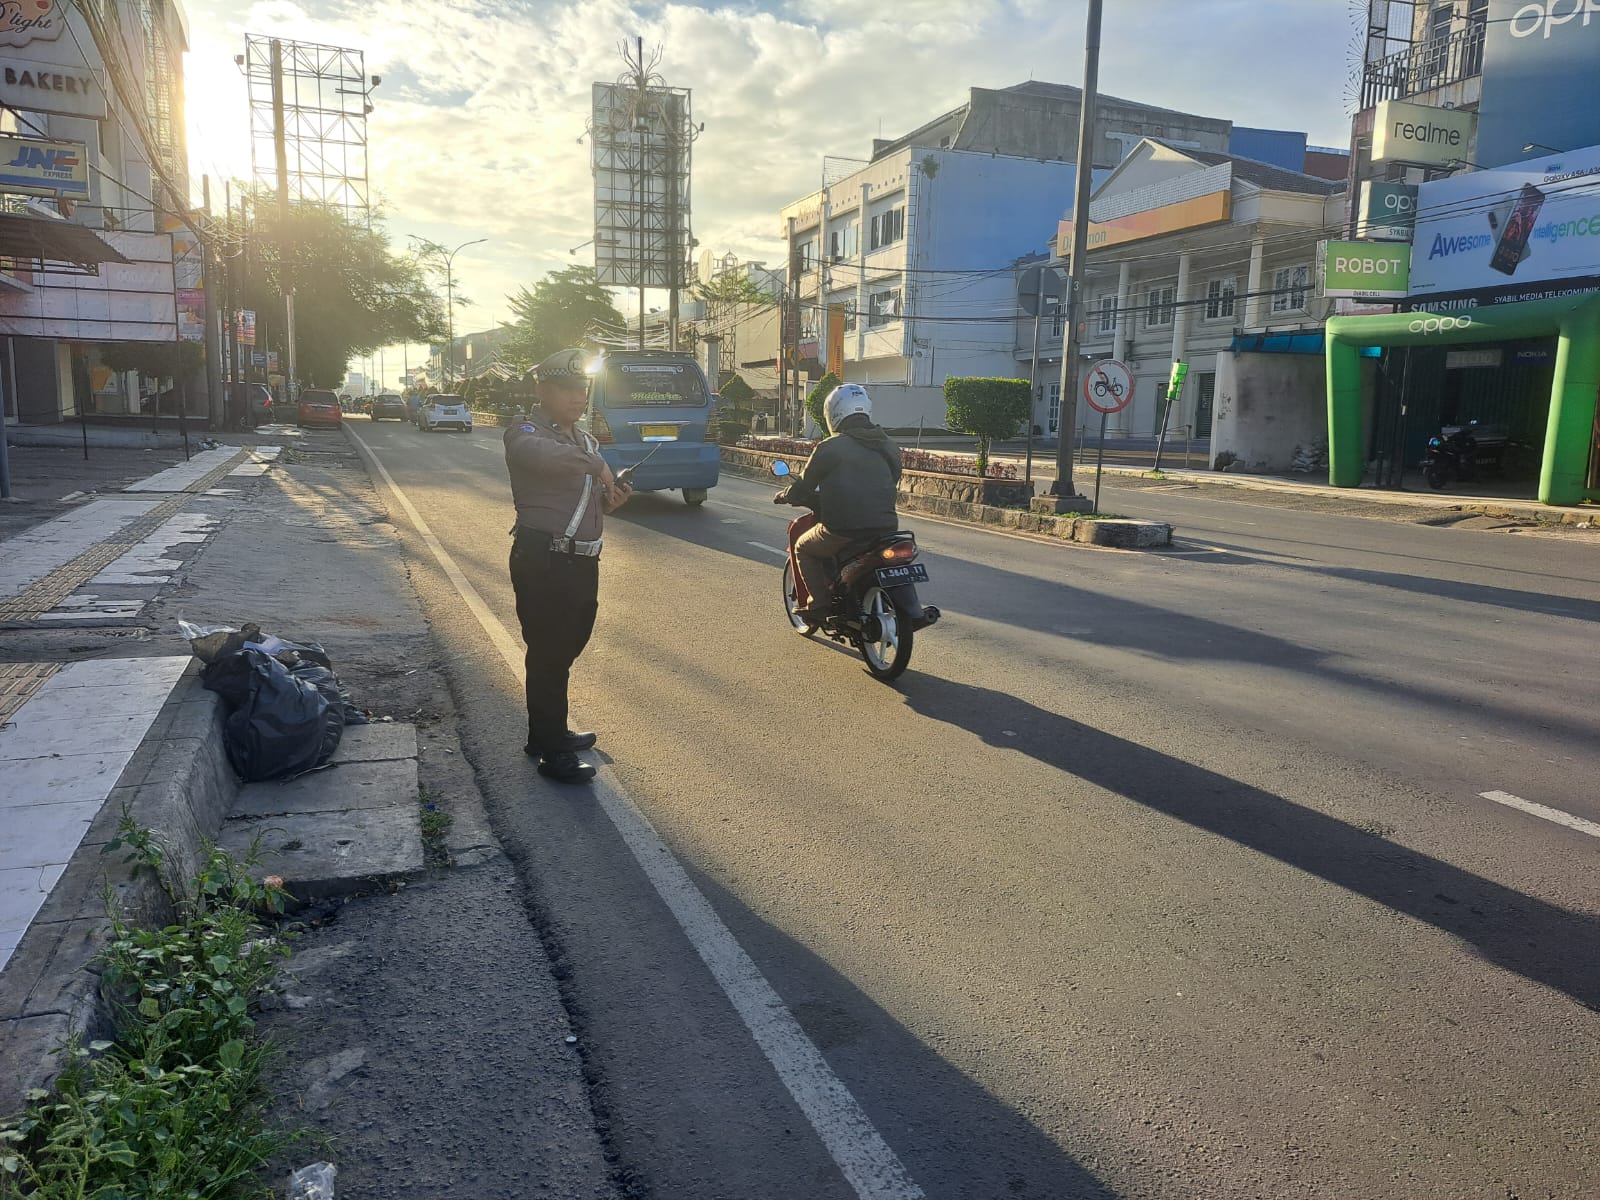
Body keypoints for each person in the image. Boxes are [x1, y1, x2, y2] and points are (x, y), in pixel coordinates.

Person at [504, 348, 632, 784]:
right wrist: (597, 466)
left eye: (583, 388)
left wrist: (610, 501)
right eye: (567, 389)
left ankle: (546, 732)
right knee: (549, 653)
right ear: (542, 390)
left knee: (567, 647)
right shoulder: (525, 431)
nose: (578, 397)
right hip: (544, 559)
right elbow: (542, 456)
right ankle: (551, 750)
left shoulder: (584, 440)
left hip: (581, 562)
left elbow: (585, 502)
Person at [775, 383, 901, 620]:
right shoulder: (889, 445)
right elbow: (894, 477)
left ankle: (818, 604)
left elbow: (804, 485)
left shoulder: (830, 447)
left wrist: (785, 495)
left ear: (833, 413)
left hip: (843, 529)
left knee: (803, 547)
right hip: (887, 529)